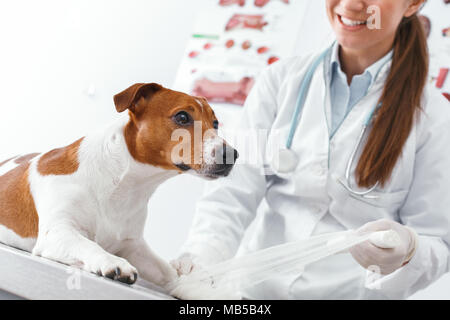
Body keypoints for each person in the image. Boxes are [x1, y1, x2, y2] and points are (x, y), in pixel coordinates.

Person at [171, 0, 450, 299]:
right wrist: (202, 262)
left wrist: (409, 248)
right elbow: (230, 194)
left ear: (414, 4)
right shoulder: (279, 81)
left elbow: (438, 241)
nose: (352, 4)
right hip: (253, 296)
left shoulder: (435, 117)